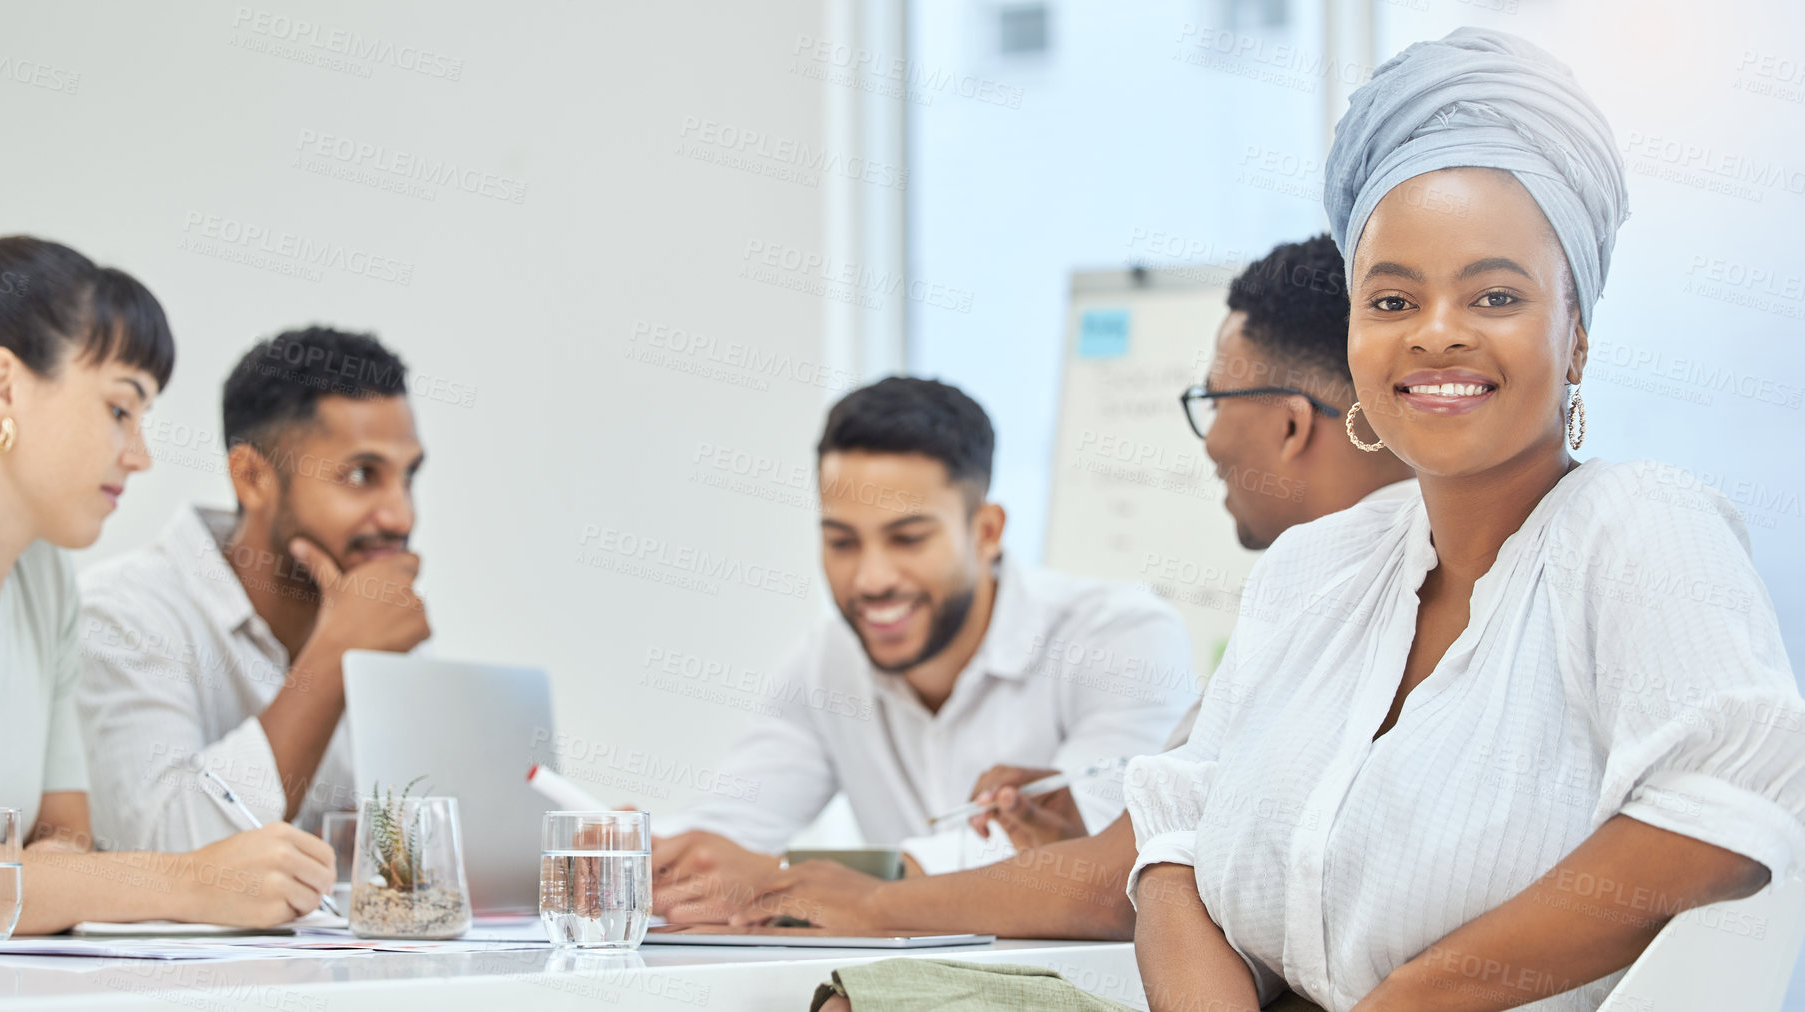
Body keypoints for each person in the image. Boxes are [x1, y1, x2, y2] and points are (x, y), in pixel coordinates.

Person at [809, 27, 1805, 1012]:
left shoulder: (1637, 525)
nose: (1438, 331)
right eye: (1391, 298)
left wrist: (1412, 997)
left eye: (1495, 294)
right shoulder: (1317, 569)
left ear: (1577, 335)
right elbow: (1172, 854)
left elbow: (1720, 810)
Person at [731, 234, 1415, 939]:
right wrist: (1083, 846)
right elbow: (1155, 862)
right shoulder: (1375, 572)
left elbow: (1118, 888)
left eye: (1212, 400)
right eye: (840, 540)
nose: (1207, 442)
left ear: (1292, 426)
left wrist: (869, 901)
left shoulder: (1299, 595)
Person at [0, 229, 332, 934]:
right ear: (2, 388)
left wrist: (29, 877)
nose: (141, 455)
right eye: (120, 409)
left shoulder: (43, 584)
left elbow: (63, 836)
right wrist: (186, 881)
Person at [651, 377, 1196, 923]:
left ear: (986, 532)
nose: (871, 579)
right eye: (842, 541)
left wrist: (780, 876)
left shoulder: (1121, 638)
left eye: (907, 539)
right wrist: (658, 858)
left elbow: (1099, 864)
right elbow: (732, 820)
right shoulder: (828, 659)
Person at [78, 327, 429, 851]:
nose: (401, 515)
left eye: (408, 477)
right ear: (252, 478)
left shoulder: (373, 616)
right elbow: (163, 851)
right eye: (361, 476)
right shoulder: (121, 614)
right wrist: (335, 656)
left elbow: (427, 849)